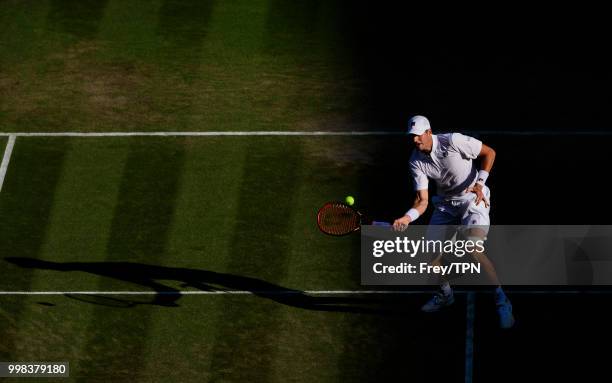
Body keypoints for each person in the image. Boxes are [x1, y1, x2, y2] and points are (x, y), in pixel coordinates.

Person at [392, 115, 515, 329]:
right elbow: (422, 201)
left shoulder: (453, 141)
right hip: (446, 205)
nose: (414, 140)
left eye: (418, 136)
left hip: (473, 198)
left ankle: (502, 301)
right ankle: (445, 294)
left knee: (473, 248)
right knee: (430, 255)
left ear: (429, 133)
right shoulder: (415, 161)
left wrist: (480, 183)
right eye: (412, 137)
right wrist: (407, 217)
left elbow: (489, 152)